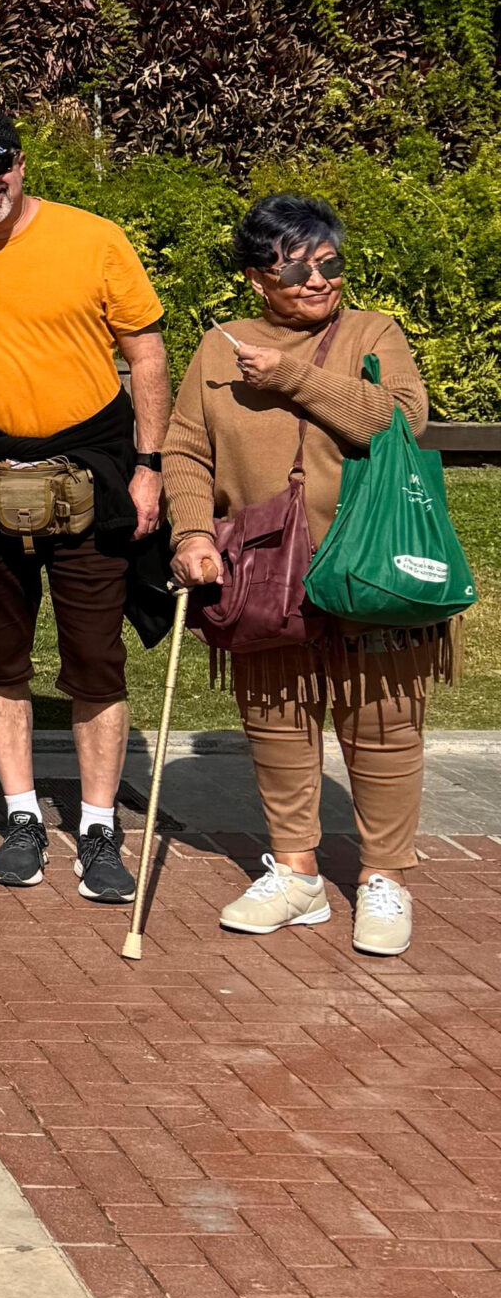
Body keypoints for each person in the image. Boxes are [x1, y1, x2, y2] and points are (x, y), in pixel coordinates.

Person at [0, 105, 170, 903]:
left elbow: (148, 354)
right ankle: (22, 816)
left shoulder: (92, 238)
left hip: (93, 470)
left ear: (20, 163)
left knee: (95, 658)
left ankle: (97, 825)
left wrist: (150, 465)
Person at [169, 195, 436, 956]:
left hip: (371, 557)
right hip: (263, 566)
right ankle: (297, 875)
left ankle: (385, 877)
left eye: (330, 264)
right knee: (278, 717)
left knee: (382, 720)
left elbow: (398, 421)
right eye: (297, 266)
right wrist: (192, 532)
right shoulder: (219, 350)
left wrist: (292, 377)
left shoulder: (372, 332)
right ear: (258, 276)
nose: (319, 280)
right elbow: (187, 451)